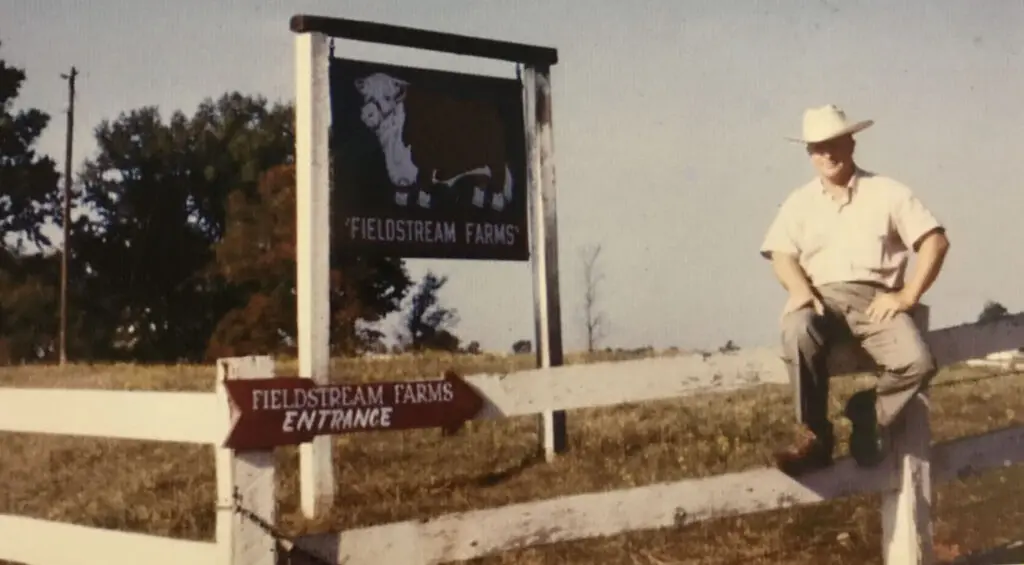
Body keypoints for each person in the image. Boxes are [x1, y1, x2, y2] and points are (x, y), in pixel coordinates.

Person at [759, 104, 951, 476]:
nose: (828, 154)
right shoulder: (799, 201)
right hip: (822, 298)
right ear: (809, 153)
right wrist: (799, 289)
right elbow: (781, 253)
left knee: (917, 362)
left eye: (835, 143)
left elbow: (935, 242)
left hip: (874, 300)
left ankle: (870, 410)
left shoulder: (887, 191)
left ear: (851, 143)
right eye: (818, 147)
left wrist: (907, 296)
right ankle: (815, 437)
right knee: (797, 329)